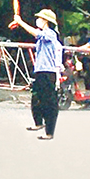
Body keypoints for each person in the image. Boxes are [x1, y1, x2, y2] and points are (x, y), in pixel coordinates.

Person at [9, 8, 63, 140]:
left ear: (46, 21)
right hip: (39, 71)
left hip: (48, 72)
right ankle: (38, 123)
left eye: (40, 19)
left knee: (49, 101)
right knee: (36, 98)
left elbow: (35, 33)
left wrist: (20, 22)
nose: (38, 21)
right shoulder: (41, 36)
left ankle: (49, 131)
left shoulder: (51, 34)